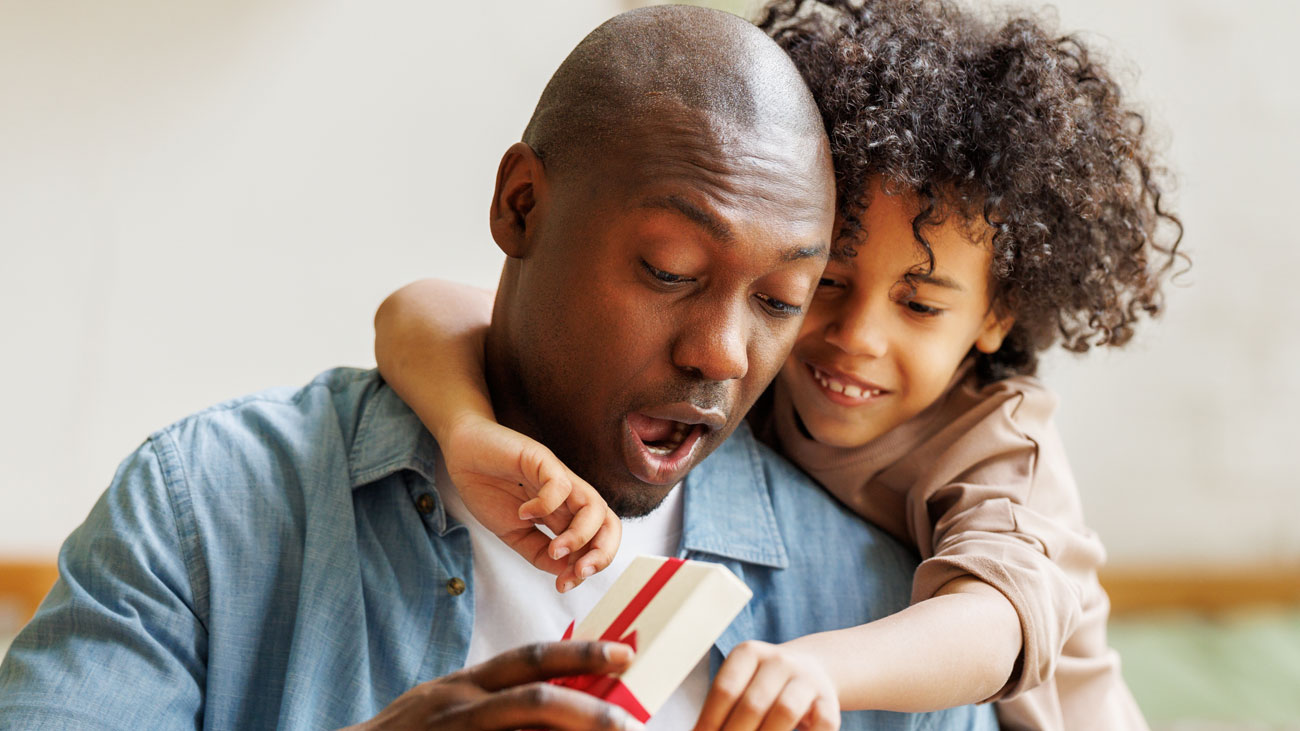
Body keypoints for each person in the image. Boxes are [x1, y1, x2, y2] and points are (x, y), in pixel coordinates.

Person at [0, 6, 996, 731]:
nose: (723, 352)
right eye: (669, 270)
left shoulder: (877, 604)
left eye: (782, 299)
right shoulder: (209, 509)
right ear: (521, 206)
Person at [372, 0, 1186, 729]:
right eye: (823, 284)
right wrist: (465, 426)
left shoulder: (1000, 444)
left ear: (996, 315)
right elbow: (425, 309)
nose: (856, 335)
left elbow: (998, 619)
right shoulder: (752, 342)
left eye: (921, 304)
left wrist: (818, 665)